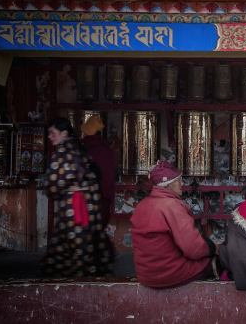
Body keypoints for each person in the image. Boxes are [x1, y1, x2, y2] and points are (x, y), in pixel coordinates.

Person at [130, 160, 220, 289]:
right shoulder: (171, 206)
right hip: (168, 274)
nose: (182, 184)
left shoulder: (143, 204)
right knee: (218, 264)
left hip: (145, 274)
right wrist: (211, 249)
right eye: (179, 180)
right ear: (168, 185)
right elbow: (193, 250)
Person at [40, 117, 113, 277]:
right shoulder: (80, 149)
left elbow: (54, 184)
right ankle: (88, 275)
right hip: (90, 204)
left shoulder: (63, 151)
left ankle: (73, 280)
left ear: (64, 133)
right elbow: (97, 177)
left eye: (53, 133)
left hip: (72, 207)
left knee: (69, 244)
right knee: (86, 242)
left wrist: (52, 190)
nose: (50, 137)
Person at [81, 115, 116, 227]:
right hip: (104, 203)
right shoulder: (109, 153)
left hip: (85, 203)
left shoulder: (83, 152)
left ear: (86, 134)